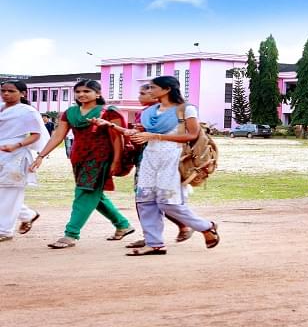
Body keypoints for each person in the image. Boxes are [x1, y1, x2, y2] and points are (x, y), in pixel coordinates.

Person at [120, 76, 219, 256]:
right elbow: (146, 133)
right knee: (145, 201)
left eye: (152, 88)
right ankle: (154, 244)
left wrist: (155, 136)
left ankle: (206, 227)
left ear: (166, 90)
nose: (149, 91)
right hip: (150, 158)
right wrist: (137, 133)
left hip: (173, 158)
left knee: (168, 203)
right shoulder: (151, 112)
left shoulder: (186, 110)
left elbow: (192, 135)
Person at [29, 80, 134, 249]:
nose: (81, 94)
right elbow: (58, 136)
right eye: (78, 91)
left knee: (85, 193)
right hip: (78, 158)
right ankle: (122, 224)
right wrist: (41, 155)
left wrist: (116, 161)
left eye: (87, 91)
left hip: (102, 157)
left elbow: (117, 138)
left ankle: (71, 234)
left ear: (98, 94)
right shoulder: (70, 112)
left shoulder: (109, 112)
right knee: (93, 193)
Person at [103, 84, 193, 249]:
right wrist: (112, 126)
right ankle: (153, 235)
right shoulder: (145, 114)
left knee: (158, 199)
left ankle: (189, 225)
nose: (140, 96)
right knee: (145, 200)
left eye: (144, 93)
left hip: (161, 160)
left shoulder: (170, 114)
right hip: (144, 160)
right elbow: (135, 135)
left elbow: (183, 136)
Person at [0, 81, 47, 241]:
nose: (6, 94)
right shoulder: (1, 108)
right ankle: (29, 215)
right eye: (3, 90)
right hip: (1, 151)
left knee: (9, 191)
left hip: (16, 155)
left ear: (23, 93)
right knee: (5, 195)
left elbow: (36, 134)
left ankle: (5, 231)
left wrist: (15, 145)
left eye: (10, 91)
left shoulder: (27, 112)